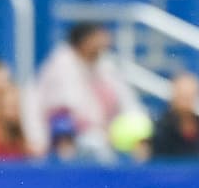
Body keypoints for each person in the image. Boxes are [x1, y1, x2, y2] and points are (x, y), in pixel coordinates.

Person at [33, 21, 142, 162]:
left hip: (103, 135)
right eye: (97, 39)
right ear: (84, 41)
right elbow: (68, 109)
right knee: (69, 128)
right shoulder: (61, 65)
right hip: (66, 137)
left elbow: (127, 101)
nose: (103, 44)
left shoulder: (105, 65)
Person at [151, 71, 199, 159]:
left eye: (189, 97)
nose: (185, 103)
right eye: (182, 97)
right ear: (173, 97)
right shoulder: (160, 129)